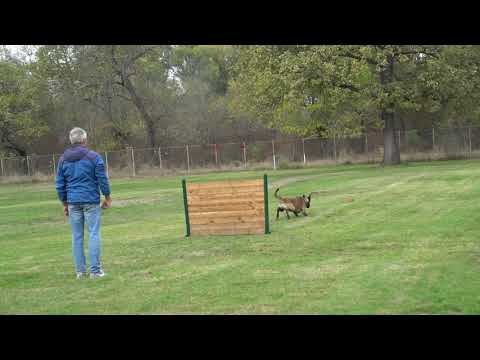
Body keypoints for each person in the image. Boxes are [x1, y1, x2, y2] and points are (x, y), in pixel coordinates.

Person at [55, 127, 112, 279]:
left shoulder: (63, 159)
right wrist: (107, 197)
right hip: (91, 201)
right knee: (94, 233)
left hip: (73, 202)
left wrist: (64, 203)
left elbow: (60, 184)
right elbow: (102, 179)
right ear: (85, 140)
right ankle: (95, 271)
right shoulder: (94, 157)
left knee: (77, 236)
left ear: (71, 141)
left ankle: (80, 272)